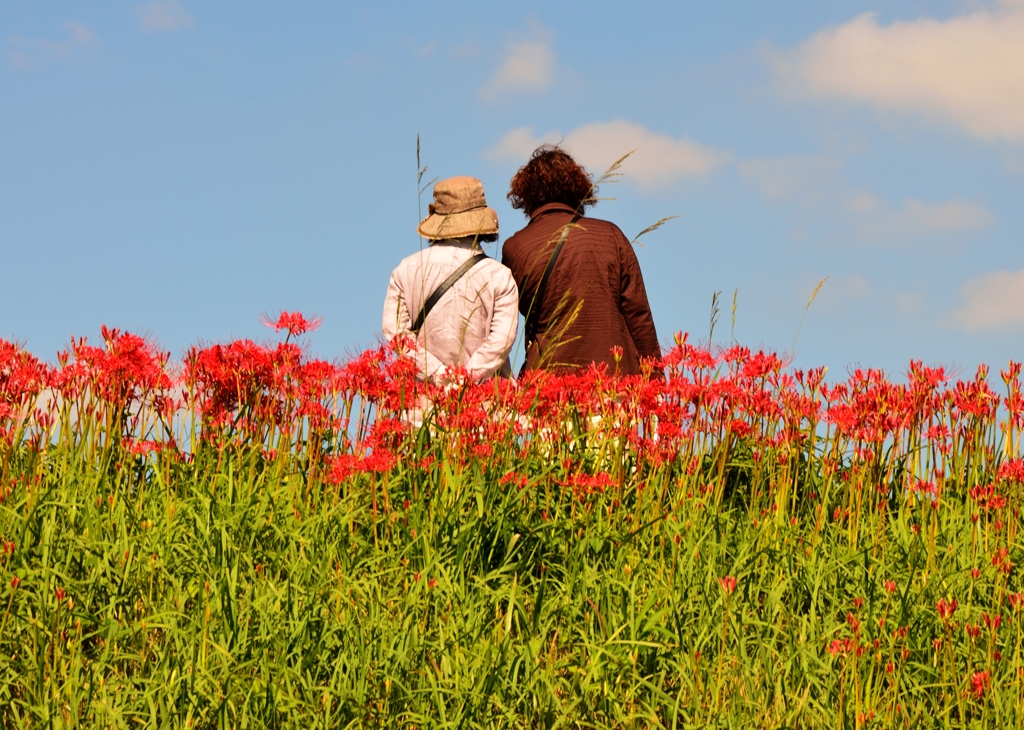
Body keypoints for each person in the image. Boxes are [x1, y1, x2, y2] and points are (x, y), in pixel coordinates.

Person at [501, 146, 662, 377]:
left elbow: (506, 325)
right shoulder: (611, 235)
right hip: (614, 385)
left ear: (526, 194)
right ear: (577, 188)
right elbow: (638, 314)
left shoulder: (515, 247)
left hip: (547, 387)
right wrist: (656, 380)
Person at [382, 176, 518, 383]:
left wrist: (439, 376)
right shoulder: (498, 275)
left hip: (422, 406)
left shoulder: (406, 269)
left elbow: (396, 335)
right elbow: (501, 341)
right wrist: (465, 380)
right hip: (486, 404)